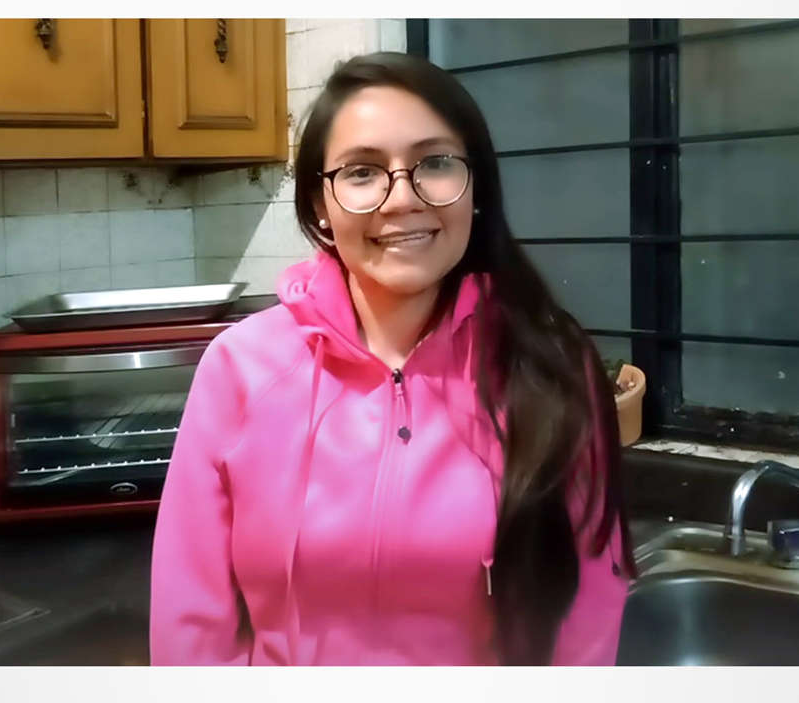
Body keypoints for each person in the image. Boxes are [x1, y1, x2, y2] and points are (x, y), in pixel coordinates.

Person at [150, 51, 635, 666]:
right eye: (361, 171)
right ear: (320, 204)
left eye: (435, 163)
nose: (402, 198)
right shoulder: (239, 368)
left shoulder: (550, 366)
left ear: (476, 188)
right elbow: (190, 624)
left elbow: (586, 617)